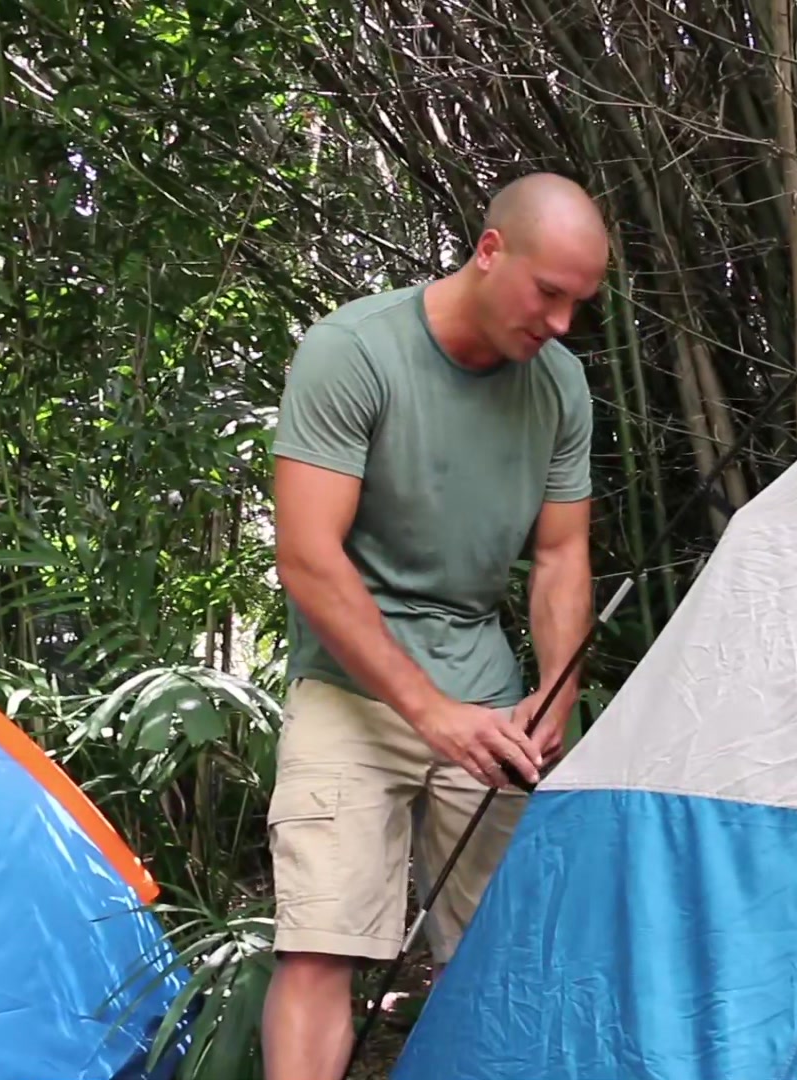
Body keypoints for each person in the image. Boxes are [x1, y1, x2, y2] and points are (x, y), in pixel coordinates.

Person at [260, 172, 609, 1080]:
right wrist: (429, 711)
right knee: (321, 944)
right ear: (490, 251)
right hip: (349, 689)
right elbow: (307, 557)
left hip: (486, 694)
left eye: (578, 304)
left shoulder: (560, 386)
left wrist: (555, 692)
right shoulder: (354, 351)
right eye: (548, 294)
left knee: (503, 951)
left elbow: (562, 555)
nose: (560, 323)